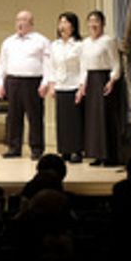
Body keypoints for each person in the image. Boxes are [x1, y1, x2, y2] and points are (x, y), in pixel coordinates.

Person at [0, 9, 52, 159]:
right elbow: (2, 64)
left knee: (35, 116)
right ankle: (14, 147)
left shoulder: (41, 41)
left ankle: (36, 148)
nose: (20, 23)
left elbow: (48, 64)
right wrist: (0, 83)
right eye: (18, 20)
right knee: (13, 116)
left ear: (31, 23)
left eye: (24, 20)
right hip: (13, 81)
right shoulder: (8, 42)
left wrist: (45, 82)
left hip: (32, 82)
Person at [78, 9, 123, 165]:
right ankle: (97, 154)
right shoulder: (85, 43)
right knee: (93, 120)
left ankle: (110, 156)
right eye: (90, 21)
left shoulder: (108, 41)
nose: (93, 24)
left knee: (105, 118)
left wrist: (112, 81)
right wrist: (82, 85)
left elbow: (116, 64)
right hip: (90, 81)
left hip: (104, 80)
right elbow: (83, 66)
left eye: (96, 21)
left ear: (103, 24)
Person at [49, 11, 84, 162]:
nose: (62, 26)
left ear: (73, 26)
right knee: (62, 120)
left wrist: (82, 87)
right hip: (60, 86)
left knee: (75, 120)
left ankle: (77, 150)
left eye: (66, 22)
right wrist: (52, 85)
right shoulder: (54, 45)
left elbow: (84, 67)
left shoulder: (79, 45)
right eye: (60, 22)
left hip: (74, 85)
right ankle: (64, 150)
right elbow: (51, 67)